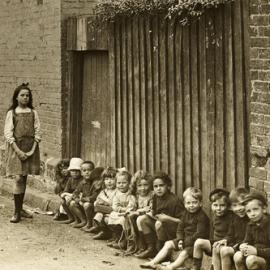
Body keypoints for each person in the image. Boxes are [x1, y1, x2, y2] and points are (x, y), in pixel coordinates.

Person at [140, 187, 209, 270]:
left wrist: (184, 242)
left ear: (200, 203)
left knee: (184, 253)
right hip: (184, 239)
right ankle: (153, 262)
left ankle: (170, 267)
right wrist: (180, 239)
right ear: (184, 204)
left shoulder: (202, 217)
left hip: (194, 244)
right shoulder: (185, 214)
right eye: (188, 203)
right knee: (168, 244)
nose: (191, 205)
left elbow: (199, 234)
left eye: (194, 202)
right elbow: (180, 228)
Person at [4, 83, 41, 223]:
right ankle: (16, 212)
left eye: (27, 95)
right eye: (22, 95)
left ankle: (21, 209)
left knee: (24, 177)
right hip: (16, 148)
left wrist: (31, 150)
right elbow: (8, 134)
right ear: (16, 97)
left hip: (30, 147)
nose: (25, 97)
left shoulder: (33, 112)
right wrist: (18, 151)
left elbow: (38, 132)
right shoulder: (12, 113)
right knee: (18, 178)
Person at [137, 172, 184, 259]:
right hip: (161, 227)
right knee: (142, 219)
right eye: (156, 186)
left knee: (159, 223)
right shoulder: (156, 197)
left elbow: (183, 221)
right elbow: (155, 213)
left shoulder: (174, 201)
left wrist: (167, 218)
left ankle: (161, 252)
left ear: (168, 186)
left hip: (174, 230)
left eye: (161, 185)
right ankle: (151, 248)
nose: (158, 189)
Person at [192, 188, 233, 270]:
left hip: (226, 244)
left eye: (222, 205)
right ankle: (195, 267)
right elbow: (211, 234)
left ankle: (214, 267)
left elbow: (232, 235)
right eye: (215, 205)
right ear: (211, 205)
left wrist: (223, 241)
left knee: (216, 248)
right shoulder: (214, 217)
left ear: (228, 206)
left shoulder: (231, 217)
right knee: (198, 242)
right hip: (214, 243)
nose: (218, 208)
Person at [213, 187, 250, 270]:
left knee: (225, 251)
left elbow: (249, 238)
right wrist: (225, 240)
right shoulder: (234, 218)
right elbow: (230, 234)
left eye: (242, 204)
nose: (238, 208)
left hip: (244, 247)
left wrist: (236, 246)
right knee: (216, 247)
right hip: (235, 245)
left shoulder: (250, 219)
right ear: (231, 207)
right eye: (235, 205)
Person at [234, 190, 270, 270]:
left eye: (255, 209)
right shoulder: (251, 225)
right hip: (256, 255)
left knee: (251, 260)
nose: (252, 214)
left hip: (267, 259)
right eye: (248, 211)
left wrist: (257, 251)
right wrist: (242, 246)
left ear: (264, 209)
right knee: (237, 256)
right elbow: (247, 241)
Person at [124, 170, 153, 255]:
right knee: (129, 217)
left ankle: (145, 246)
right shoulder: (135, 196)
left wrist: (138, 212)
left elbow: (151, 208)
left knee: (138, 219)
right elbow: (130, 207)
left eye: (145, 185)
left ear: (150, 185)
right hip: (136, 218)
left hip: (147, 218)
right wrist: (129, 211)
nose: (143, 188)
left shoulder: (152, 195)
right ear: (135, 186)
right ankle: (134, 244)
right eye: (139, 185)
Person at [107, 169, 137, 250]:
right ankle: (118, 237)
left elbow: (132, 206)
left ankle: (124, 241)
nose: (121, 185)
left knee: (124, 220)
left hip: (128, 214)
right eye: (119, 183)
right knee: (112, 216)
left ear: (129, 183)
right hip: (120, 212)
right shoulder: (116, 194)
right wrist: (122, 209)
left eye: (124, 183)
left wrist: (124, 210)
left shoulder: (130, 195)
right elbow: (115, 206)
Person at [86, 166, 117, 239]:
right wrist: (98, 202)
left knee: (98, 210)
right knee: (98, 213)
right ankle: (104, 231)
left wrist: (104, 203)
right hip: (104, 210)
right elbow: (98, 199)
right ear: (104, 181)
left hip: (113, 210)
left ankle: (112, 234)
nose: (109, 181)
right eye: (106, 179)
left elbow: (114, 203)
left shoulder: (117, 191)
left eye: (112, 179)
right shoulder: (104, 191)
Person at [69, 163, 101, 229]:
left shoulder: (96, 182)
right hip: (84, 203)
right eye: (84, 170)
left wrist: (82, 199)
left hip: (93, 204)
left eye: (89, 170)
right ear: (81, 173)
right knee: (72, 203)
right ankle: (83, 221)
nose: (87, 172)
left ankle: (89, 223)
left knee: (87, 204)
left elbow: (94, 197)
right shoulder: (82, 182)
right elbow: (75, 193)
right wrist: (76, 198)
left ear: (93, 171)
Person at [59, 157, 84, 224]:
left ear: (80, 172)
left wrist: (68, 195)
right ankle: (71, 218)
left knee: (72, 203)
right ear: (70, 171)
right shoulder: (70, 179)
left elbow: (78, 192)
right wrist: (66, 196)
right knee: (63, 201)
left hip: (78, 198)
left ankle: (80, 220)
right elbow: (65, 191)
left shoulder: (82, 180)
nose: (75, 173)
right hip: (71, 197)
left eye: (77, 171)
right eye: (73, 171)